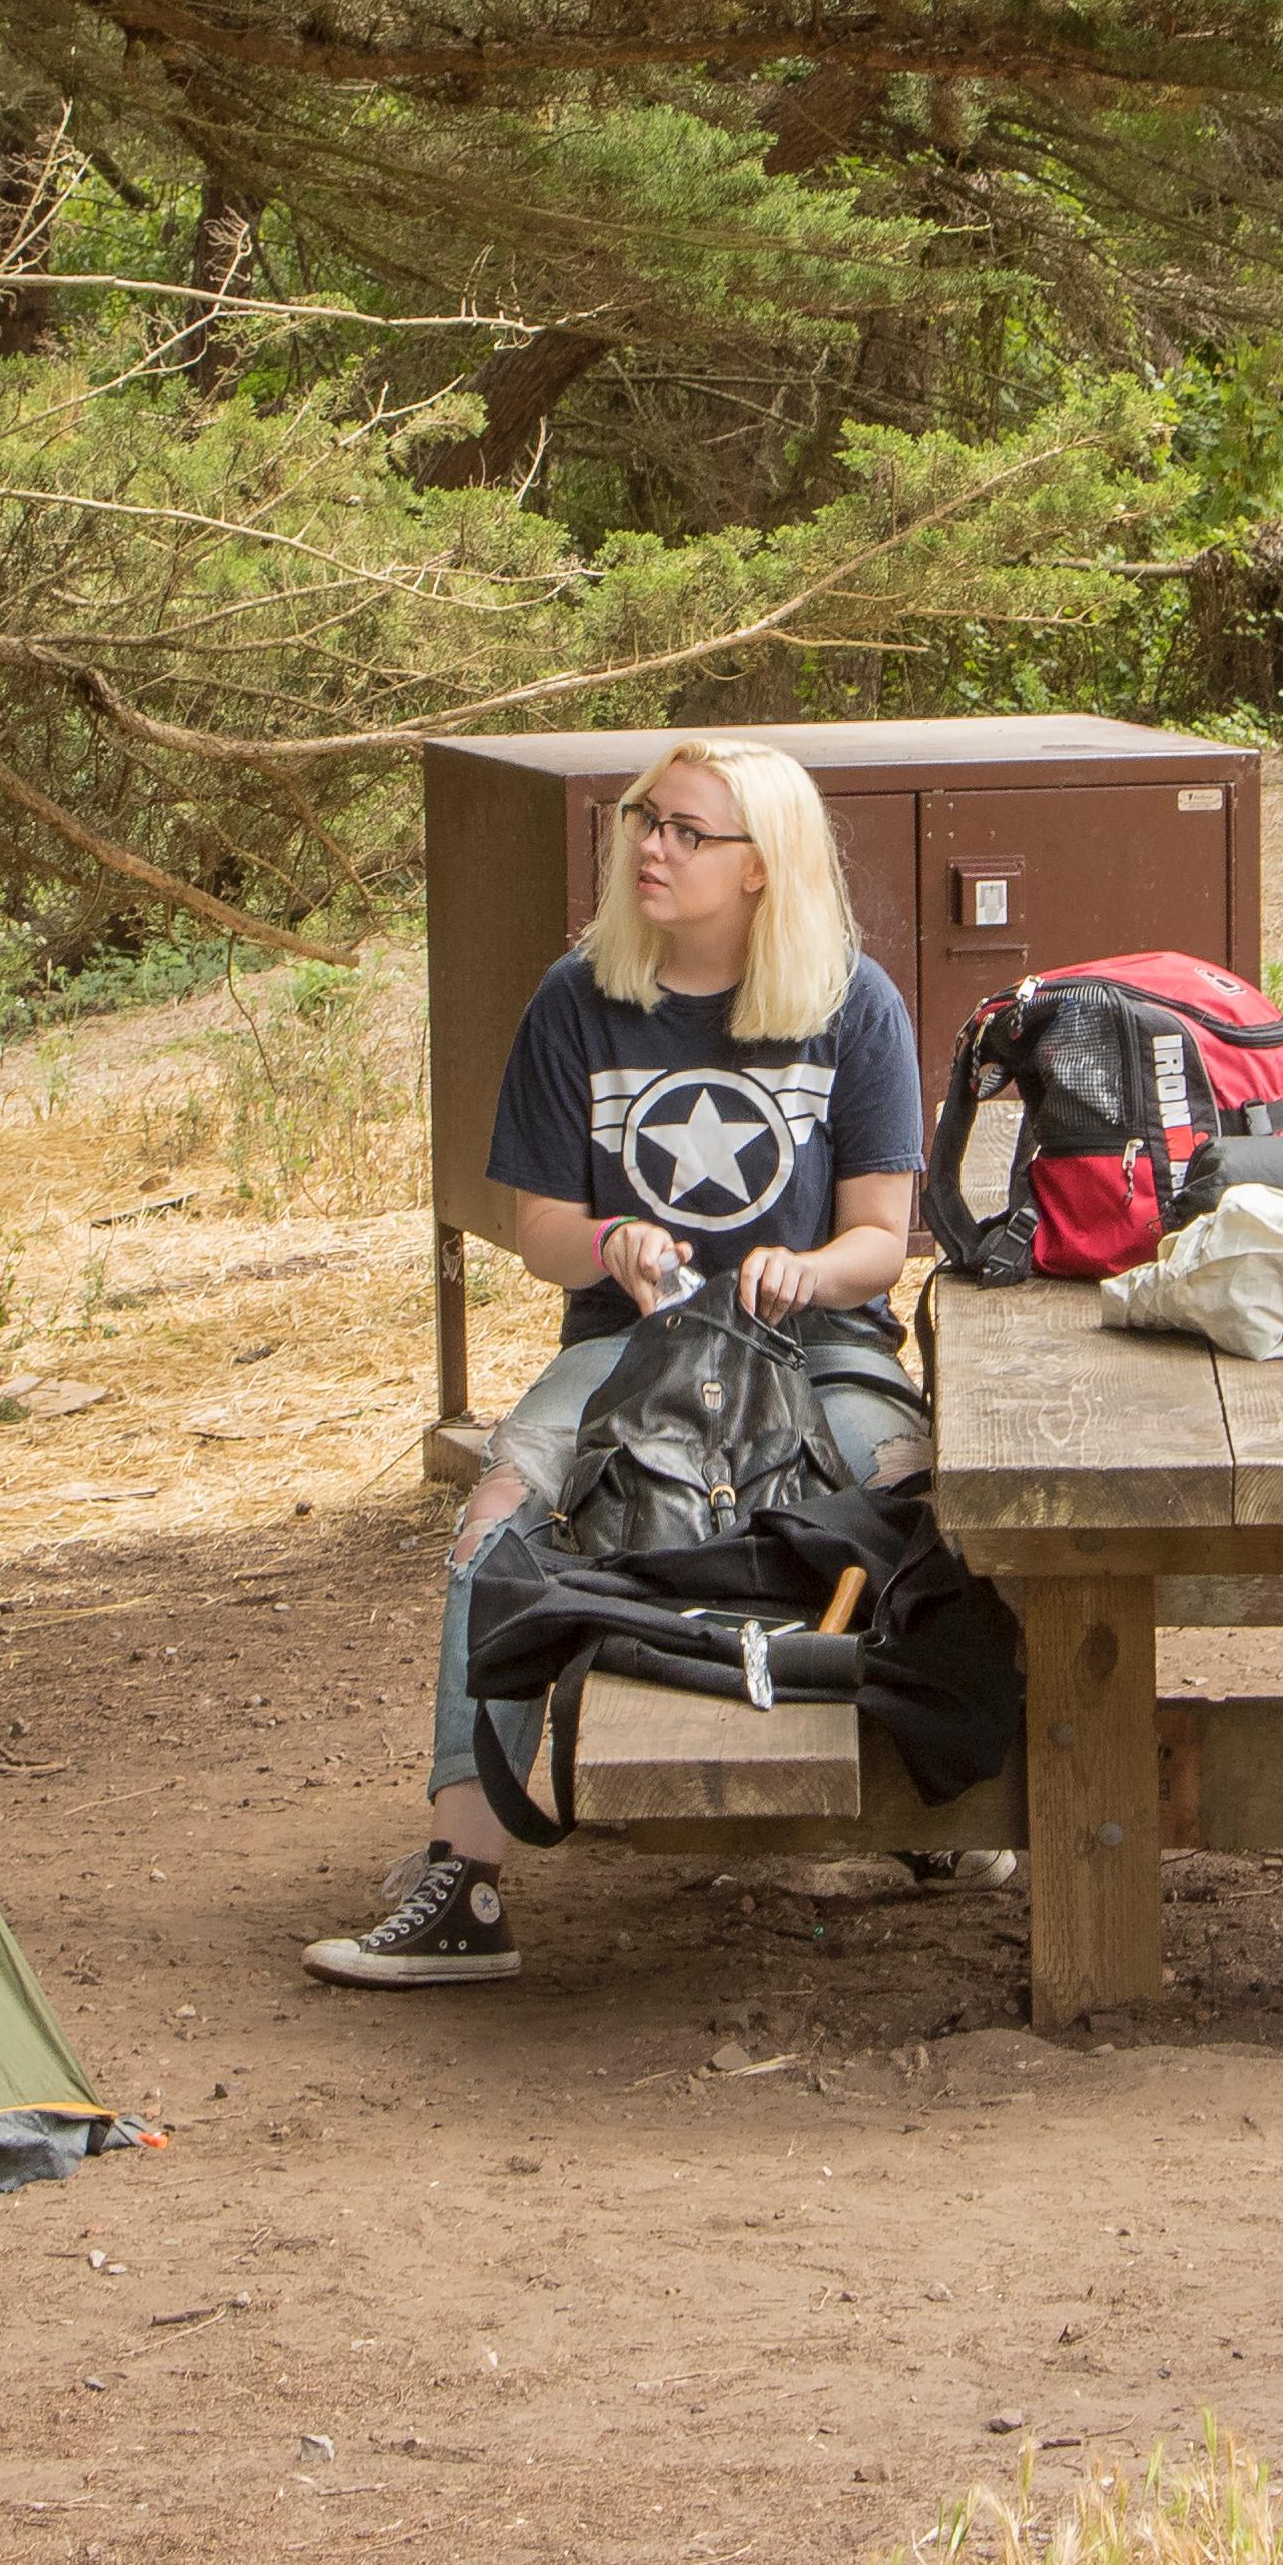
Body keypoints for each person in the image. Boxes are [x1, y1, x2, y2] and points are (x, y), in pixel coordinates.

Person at [305, 737, 930, 1987]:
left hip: (818, 1340)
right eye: (648, 820)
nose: (652, 845)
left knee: (913, 1497)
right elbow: (538, 1231)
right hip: (625, 1344)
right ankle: (461, 1876)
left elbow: (881, 1234)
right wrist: (610, 1241)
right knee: (500, 1519)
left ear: (764, 870)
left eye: (690, 832)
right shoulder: (575, 999)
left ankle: (952, 1812)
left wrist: (808, 1271)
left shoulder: (853, 1003)